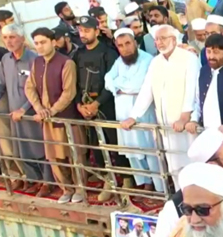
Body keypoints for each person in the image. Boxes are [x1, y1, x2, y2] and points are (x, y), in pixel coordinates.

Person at [123, 25, 200, 189]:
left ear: (173, 39)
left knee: (190, 163)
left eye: (162, 38)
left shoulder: (188, 58)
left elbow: (192, 89)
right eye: (156, 39)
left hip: (184, 124)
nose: (158, 43)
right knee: (173, 166)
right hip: (165, 124)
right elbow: (147, 89)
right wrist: (134, 116)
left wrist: (184, 117)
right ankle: (181, 200)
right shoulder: (156, 62)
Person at [25, 28, 87, 204]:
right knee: (54, 157)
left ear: (53, 42)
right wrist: (39, 108)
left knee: (74, 155)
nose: (39, 46)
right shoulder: (36, 62)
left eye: (43, 42)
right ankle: (66, 189)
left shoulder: (66, 63)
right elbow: (29, 87)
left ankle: (81, 189)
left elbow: (69, 92)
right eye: (36, 43)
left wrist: (51, 111)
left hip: (67, 119)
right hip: (47, 120)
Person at [73, 15, 126, 202]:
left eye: (87, 30)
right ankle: (107, 180)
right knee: (95, 146)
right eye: (81, 30)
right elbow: (76, 83)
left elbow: (113, 83)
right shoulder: (78, 54)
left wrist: (96, 104)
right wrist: (80, 105)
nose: (83, 34)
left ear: (97, 31)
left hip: (106, 105)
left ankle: (126, 180)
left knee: (115, 144)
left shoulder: (108, 53)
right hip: (86, 108)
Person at [108, 28, 164, 193]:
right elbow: (107, 80)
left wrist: (119, 85)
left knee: (150, 150)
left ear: (135, 43)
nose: (125, 48)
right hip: (123, 113)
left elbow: (138, 85)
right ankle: (145, 182)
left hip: (143, 113)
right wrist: (120, 85)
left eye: (128, 43)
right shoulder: (119, 61)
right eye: (120, 45)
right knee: (132, 150)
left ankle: (159, 186)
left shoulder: (148, 60)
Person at [0, 24, 51, 194]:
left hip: (32, 112)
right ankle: (33, 180)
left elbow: (38, 89)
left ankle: (47, 182)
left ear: (22, 38)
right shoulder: (5, 60)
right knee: (22, 147)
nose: (9, 41)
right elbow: (2, 85)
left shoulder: (34, 59)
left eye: (13, 37)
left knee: (40, 148)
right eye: (6, 37)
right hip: (15, 113)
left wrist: (24, 109)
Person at [197, 33, 223, 129]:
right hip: (206, 130)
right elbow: (197, 99)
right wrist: (194, 120)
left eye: (215, 52)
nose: (211, 56)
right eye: (208, 52)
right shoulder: (203, 71)